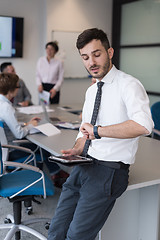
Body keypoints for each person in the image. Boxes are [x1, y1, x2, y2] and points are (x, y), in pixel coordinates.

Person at [48, 28, 154, 240]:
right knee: (56, 230)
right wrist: (76, 149)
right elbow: (85, 129)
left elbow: (144, 126)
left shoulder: (129, 85)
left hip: (110, 170)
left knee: (76, 236)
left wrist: (98, 131)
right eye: (85, 57)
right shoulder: (92, 90)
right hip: (84, 164)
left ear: (110, 52)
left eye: (97, 54)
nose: (91, 62)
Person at [0, 73, 68, 187]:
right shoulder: (6, 107)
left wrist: (26, 123)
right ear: (11, 90)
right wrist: (31, 126)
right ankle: (52, 174)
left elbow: (8, 124)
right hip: (10, 150)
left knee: (37, 146)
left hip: (5, 147)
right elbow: (19, 134)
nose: (18, 89)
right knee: (42, 147)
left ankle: (52, 174)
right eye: (17, 87)